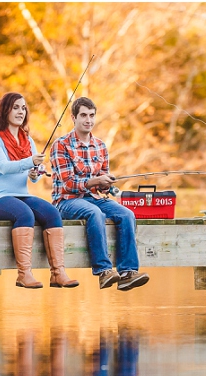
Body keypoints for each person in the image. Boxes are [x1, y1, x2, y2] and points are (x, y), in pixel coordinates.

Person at [0, 92, 79, 289]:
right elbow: (4, 167)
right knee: (25, 214)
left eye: (23, 108)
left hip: (21, 195)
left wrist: (35, 172)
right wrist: (29, 162)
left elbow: (35, 175)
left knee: (52, 213)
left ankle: (58, 273)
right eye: (15, 107)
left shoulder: (27, 141)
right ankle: (24, 274)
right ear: (4, 110)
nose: (20, 112)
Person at [50, 97, 150, 291]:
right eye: (84, 115)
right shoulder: (61, 145)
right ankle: (103, 271)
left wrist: (105, 184)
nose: (88, 120)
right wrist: (94, 181)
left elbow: (101, 186)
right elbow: (69, 183)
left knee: (126, 214)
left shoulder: (101, 146)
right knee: (96, 214)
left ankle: (127, 273)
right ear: (74, 117)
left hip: (94, 199)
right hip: (66, 201)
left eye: (92, 115)